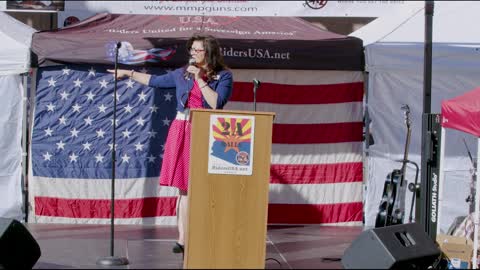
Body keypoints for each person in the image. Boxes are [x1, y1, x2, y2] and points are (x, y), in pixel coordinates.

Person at [108, 34, 233, 255]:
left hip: (206, 130)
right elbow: (154, 81)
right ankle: (183, 239)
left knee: (204, 187)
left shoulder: (223, 76)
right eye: (191, 50)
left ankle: (207, 233)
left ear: (209, 53)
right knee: (183, 189)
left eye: (198, 50)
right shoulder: (181, 74)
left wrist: (201, 80)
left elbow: (216, 104)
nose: (193, 54)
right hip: (182, 128)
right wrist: (128, 73)